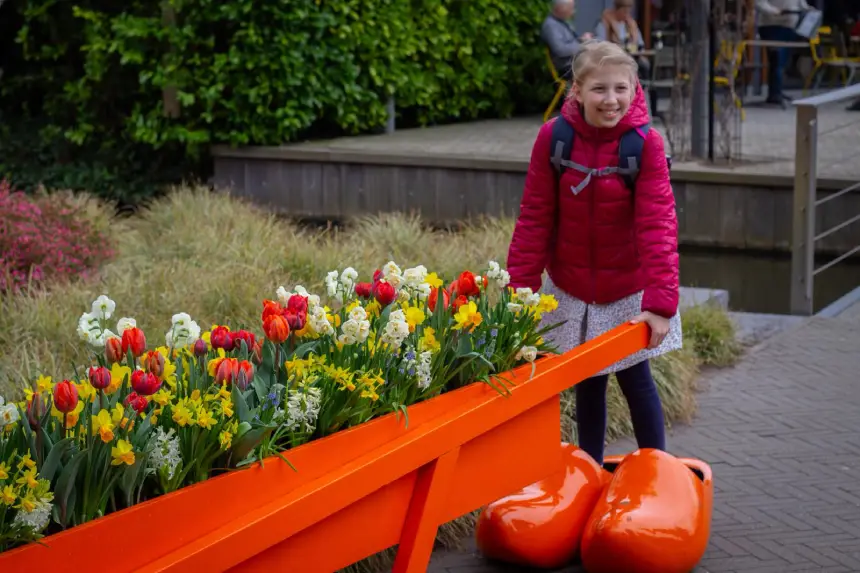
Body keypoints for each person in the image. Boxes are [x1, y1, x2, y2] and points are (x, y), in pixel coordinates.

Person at [506, 40, 682, 466]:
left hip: (627, 289)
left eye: (621, 89)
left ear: (635, 89)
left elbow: (658, 225)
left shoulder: (644, 145)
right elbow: (534, 217)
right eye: (600, 89)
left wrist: (660, 304)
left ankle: (655, 470)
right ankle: (587, 469)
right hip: (573, 286)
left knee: (635, 377)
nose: (611, 100)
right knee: (587, 381)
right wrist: (523, 293)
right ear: (577, 92)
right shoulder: (554, 138)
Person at [594, 0, 657, 117]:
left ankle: (643, 95)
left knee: (645, 65)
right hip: (612, 60)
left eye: (628, 11)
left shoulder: (630, 24)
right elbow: (600, 45)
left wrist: (637, 48)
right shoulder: (605, 23)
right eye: (624, 11)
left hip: (631, 58)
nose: (626, 14)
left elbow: (640, 44)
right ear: (616, 10)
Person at [755, 0, 816, 107]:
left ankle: (777, 90)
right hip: (772, 27)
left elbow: (800, 3)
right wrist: (774, 11)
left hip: (789, 27)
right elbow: (759, 3)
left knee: (783, 62)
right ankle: (774, 94)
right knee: (777, 59)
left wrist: (808, 9)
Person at [542, 0, 593, 79]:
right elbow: (560, 50)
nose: (574, 12)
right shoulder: (551, 26)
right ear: (562, 9)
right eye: (572, 8)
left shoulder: (562, 22)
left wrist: (581, 40)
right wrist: (582, 46)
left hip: (575, 62)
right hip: (566, 67)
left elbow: (570, 42)